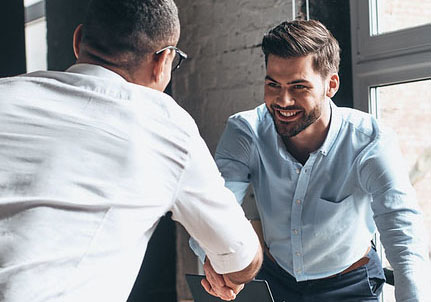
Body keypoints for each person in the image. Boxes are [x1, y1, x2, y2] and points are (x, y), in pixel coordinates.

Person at [0, 0, 263, 301]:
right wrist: (230, 265)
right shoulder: (164, 124)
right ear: (163, 61)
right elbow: (241, 257)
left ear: (77, 40)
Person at [191, 20, 430, 301]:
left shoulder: (370, 141)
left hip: (350, 285)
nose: (283, 100)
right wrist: (214, 258)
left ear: (331, 85)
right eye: (273, 84)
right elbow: (213, 208)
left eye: (299, 87)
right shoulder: (246, 131)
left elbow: (403, 237)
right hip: (276, 279)